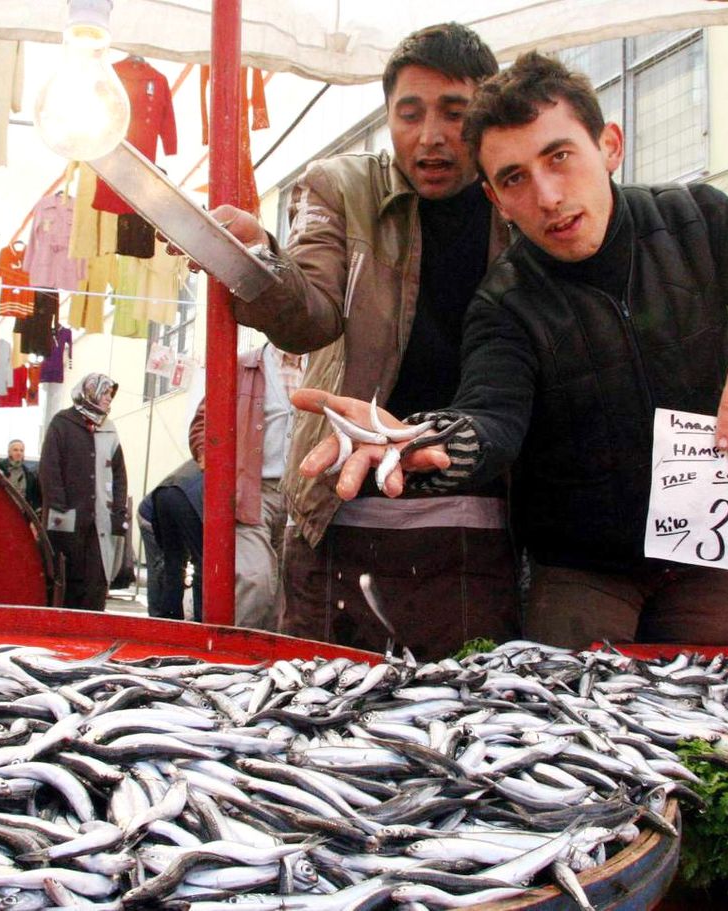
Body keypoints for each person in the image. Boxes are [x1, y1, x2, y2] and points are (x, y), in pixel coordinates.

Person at [299, 52, 728, 651]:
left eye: (560, 157)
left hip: (708, 555)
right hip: (578, 571)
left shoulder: (697, 221)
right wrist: (419, 439)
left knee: (702, 729)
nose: (547, 196)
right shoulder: (505, 300)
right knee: (576, 727)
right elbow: (492, 419)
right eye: (515, 177)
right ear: (495, 198)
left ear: (609, 145)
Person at [218, 23, 520, 659]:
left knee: (470, 722)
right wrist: (258, 261)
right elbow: (311, 314)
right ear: (388, 117)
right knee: (317, 712)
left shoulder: (517, 198)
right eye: (409, 114)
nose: (430, 136)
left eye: (455, 113)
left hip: (479, 515)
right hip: (340, 502)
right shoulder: (339, 186)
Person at [186, 343, 303, 629]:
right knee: (256, 580)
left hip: (300, 494)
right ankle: (229, 656)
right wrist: (214, 465)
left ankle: (267, 665)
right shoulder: (243, 366)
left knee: (286, 594)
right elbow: (203, 424)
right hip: (252, 490)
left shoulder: (318, 367)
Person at [39, 373, 129, 611]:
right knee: (67, 581)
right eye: (106, 394)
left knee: (96, 580)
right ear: (91, 393)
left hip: (99, 523)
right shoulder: (62, 424)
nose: (109, 400)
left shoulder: (109, 430)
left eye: (110, 395)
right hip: (67, 522)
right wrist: (60, 507)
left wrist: (118, 512)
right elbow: (50, 468)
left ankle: (93, 632)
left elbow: (119, 474)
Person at [138, 460, 203, 621]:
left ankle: (166, 619)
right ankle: (201, 621)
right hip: (182, 499)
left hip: (162, 495)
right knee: (203, 563)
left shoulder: (201, 454)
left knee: (173, 564)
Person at [0, 438, 42, 513]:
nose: (19, 453)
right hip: (0, 512)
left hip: (20, 516)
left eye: (21, 450)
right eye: (15, 450)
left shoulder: (29, 475)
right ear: (9, 452)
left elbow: (35, 499)